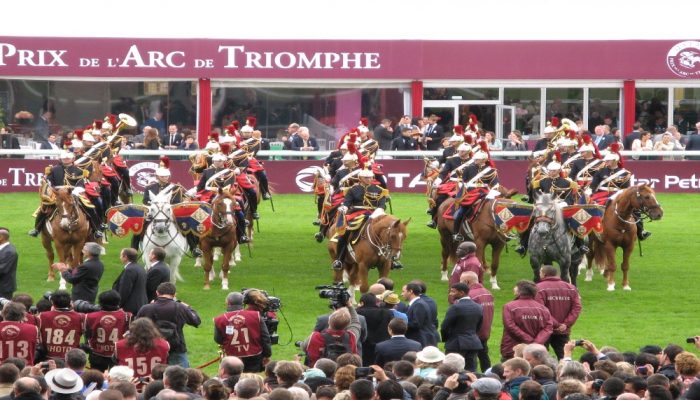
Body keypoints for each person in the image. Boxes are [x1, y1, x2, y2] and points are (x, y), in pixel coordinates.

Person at [331, 168, 388, 271]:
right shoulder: (353, 190)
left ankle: (392, 259)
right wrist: (344, 208)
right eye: (366, 178)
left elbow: (382, 205)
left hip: (375, 214)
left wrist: (375, 214)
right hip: (357, 214)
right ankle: (339, 260)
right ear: (360, 178)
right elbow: (347, 203)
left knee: (389, 231)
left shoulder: (380, 190)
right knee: (345, 233)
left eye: (370, 177)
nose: (369, 179)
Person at [590, 145, 651, 240]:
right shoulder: (600, 171)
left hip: (619, 195)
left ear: (615, 161)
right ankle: (591, 229)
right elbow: (594, 185)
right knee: (590, 207)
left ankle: (641, 231)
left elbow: (626, 188)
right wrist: (591, 193)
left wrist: (615, 195)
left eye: (608, 160)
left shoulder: (625, 173)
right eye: (606, 160)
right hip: (601, 194)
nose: (606, 162)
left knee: (635, 209)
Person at [136, 282, 202, 367]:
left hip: (152, 348)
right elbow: (196, 320)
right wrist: (187, 307)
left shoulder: (146, 308)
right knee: (180, 378)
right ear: (174, 295)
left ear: (157, 293)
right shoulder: (180, 307)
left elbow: (135, 328)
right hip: (176, 348)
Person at [213, 291, 272, 373]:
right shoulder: (256, 315)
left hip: (233, 358)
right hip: (255, 356)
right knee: (252, 380)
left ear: (228, 302)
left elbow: (218, 339)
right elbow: (265, 337)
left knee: (234, 380)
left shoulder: (219, 319)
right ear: (243, 302)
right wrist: (267, 355)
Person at [534, 265, 582, 360]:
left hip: (544, 329)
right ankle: (567, 374)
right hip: (563, 331)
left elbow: (541, 309)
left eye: (540, 272)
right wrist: (565, 324)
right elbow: (577, 307)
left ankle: (545, 374)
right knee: (565, 357)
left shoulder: (538, 288)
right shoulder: (571, 288)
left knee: (541, 359)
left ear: (544, 274)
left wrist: (556, 324)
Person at [453, 149, 499, 242]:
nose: (475, 161)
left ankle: (502, 232)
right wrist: (462, 194)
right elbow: (464, 182)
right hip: (470, 193)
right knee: (460, 213)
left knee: (497, 210)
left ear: (483, 160)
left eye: (477, 159)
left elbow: (496, 185)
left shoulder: (491, 171)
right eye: (475, 159)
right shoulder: (469, 168)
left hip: (485, 194)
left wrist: (489, 195)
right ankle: (456, 233)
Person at [500, 280, 553, 360]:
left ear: (519, 290)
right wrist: (536, 342)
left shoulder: (509, 306)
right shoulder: (543, 309)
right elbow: (548, 327)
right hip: (536, 351)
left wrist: (530, 341)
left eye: (516, 286)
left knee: (510, 370)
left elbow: (510, 326)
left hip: (513, 348)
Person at [83, 290, 132, 372]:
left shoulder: (90, 317)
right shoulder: (127, 316)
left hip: (97, 354)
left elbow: (87, 335)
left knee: (97, 380)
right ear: (118, 302)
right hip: (118, 354)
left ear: (100, 303)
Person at [441, 283, 483, 372]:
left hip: (456, 344)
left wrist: (446, 339)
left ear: (461, 293)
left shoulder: (455, 307)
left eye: (453, 291)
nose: (450, 294)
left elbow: (445, 326)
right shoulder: (478, 307)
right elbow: (479, 326)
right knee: (471, 371)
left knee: (451, 371)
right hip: (473, 343)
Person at [37, 290, 86, 360]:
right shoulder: (81, 317)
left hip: (47, 358)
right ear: (70, 302)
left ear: (52, 303)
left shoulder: (42, 316)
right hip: (71, 359)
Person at [461, 271, 494, 372]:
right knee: (484, 356)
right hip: (485, 330)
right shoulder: (488, 292)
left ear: (467, 282)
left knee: (470, 359)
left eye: (461, 281)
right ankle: (489, 376)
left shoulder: (470, 295)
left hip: (473, 332)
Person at [355, 293, 394, 366]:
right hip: (382, 346)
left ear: (362, 302)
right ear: (375, 302)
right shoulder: (387, 313)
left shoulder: (357, 313)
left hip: (363, 347)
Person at [112, 248, 148, 315]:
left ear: (125, 257)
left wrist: (118, 305)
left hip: (130, 306)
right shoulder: (140, 267)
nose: (120, 257)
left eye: (121, 255)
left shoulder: (129, 270)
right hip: (141, 303)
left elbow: (125, 289)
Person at [401, 282, 438, 347]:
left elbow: (416, 324)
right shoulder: (416, 303)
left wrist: (400, 322)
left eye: (403, 291)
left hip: (420, 340)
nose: (401, 294)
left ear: (410, 291)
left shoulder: (419, 304)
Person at [0, 228, 18, 300]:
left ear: (1, 238)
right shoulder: (3, 249)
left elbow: (2, 269)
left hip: (3, 287)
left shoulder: (9, 252)